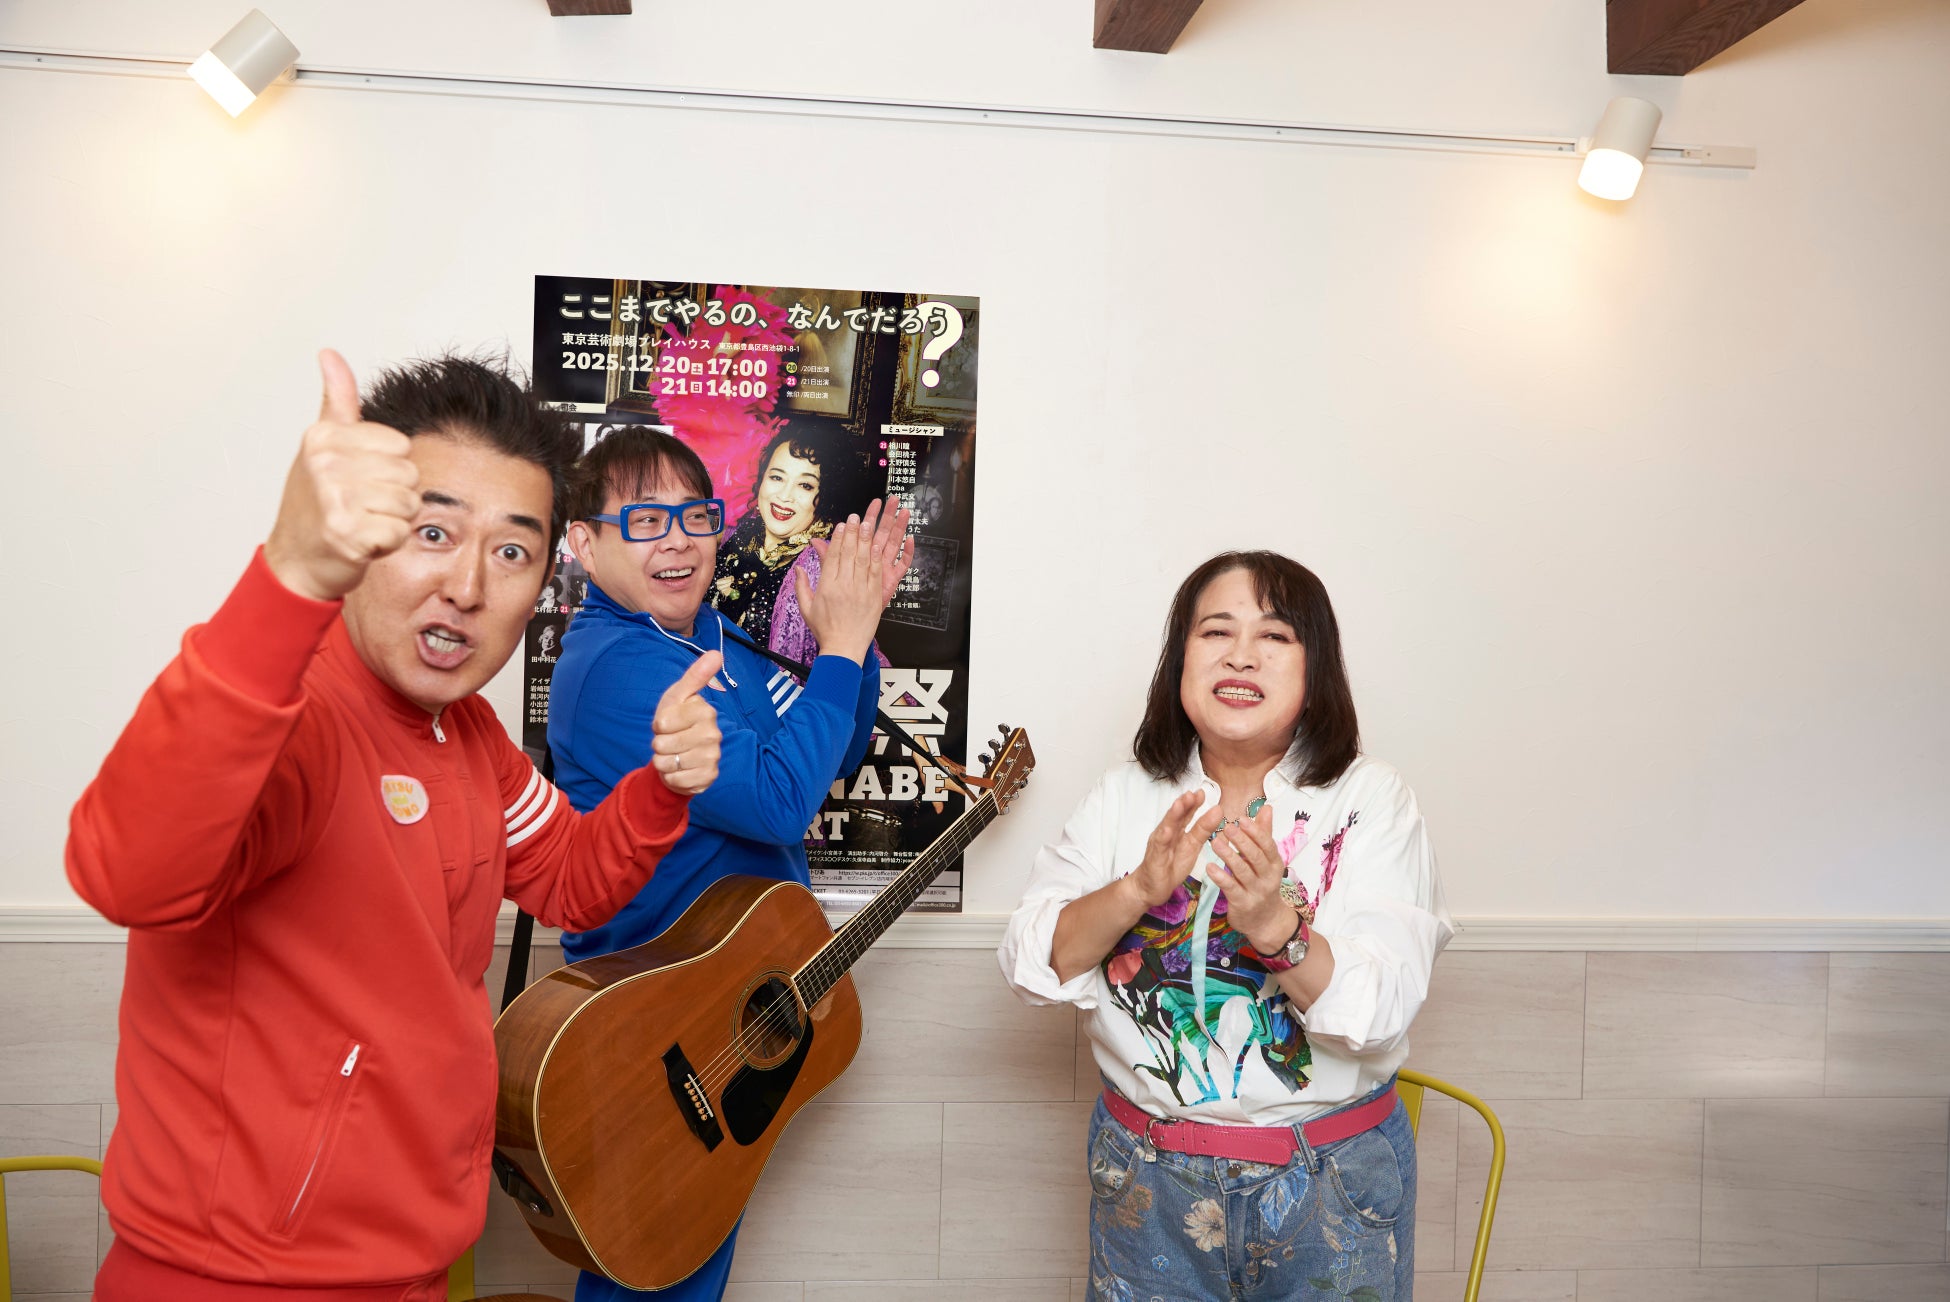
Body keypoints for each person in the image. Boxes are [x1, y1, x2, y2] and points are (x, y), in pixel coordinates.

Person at [65, 351, 724, 1302]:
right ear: (366, 535)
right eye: (432, 532)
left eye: (511, 552)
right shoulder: (294, 713)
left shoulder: (471, 735)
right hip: (238, 1280)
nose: (467, 585)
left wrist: (659, 787)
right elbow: (128, 872)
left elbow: (572, 879)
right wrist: (289, 576)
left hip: (414, 1264)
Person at [998, 551, 1452, 1302]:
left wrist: (1275, 926)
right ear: (1180, 659)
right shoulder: (1125, 796)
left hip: (1330, 1182)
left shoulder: (1371, 801)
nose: (1241, 655)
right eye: (1216, 631)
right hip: (1145, 1179)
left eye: (1274, 636)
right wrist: (1139, 890)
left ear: (1315, 669)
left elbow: (1379, 1014)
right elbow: (1032, 965)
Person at [549, 427, 911, 1302]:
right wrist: (840, 648)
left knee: (688, 1260)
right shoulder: (614, 668)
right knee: (653, 1270)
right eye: (645, 520)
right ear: (584, 544)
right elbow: (779, 802)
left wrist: (851, 639)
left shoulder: (715, 635)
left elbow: (830, 754)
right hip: (650, 1029)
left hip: (724, 1006)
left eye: (695, 515)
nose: (678, 540)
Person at [709, 420, 867, 663]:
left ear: (828, 496)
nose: (784, 496)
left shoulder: (824, 565)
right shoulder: (735, 532)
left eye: (805, 485)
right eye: (777, 477)